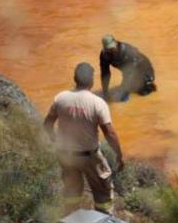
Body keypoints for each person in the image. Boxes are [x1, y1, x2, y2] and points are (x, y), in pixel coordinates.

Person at [43, 63, 124, 214]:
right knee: (103, 194)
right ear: (91, 81)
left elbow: (47, 124)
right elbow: (109, 133)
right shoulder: (97, 103)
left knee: (71, 192)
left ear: (75, 78)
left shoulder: (60, 98)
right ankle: (103, 217)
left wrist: (55, 141)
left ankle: (70, 217)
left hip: (66, 155)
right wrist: (119, 155)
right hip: (90, 157)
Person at [99, 34, 156, 101]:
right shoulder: (104, 56)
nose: (111, 51)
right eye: (108, 49)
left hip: (144, 69)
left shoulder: (127, 52)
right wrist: (105, 91)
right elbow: (105, 73)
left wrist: (125, 92)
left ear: (116, 44)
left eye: (112, 48)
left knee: (142, 91)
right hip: (128, 71)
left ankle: (148, 84)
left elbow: (131, 73)